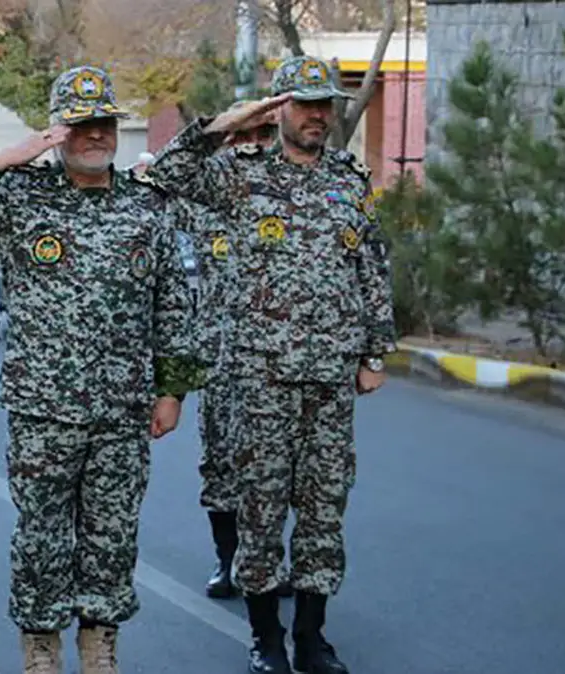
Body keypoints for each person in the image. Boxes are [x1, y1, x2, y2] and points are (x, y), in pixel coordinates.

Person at [0, 65, 204, 674]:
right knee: (41, 536)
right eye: (79, 124)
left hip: (122, 407)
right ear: (55, 131)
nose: (95, 134)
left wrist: (172, 388)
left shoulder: (146, 205)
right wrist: (3, 159)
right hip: (44, 408)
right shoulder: (20, 197)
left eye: (104, 123)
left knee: (111, 535)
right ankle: (41, 644)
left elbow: (174, 301)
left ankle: (99, 644)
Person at [148, 56, 397, 674]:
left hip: (329, 378)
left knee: (323, 509)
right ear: (280, 109)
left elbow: (370, 264)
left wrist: (373, 351)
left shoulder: (348, 179)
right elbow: (171, 172)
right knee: (260, 508)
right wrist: (227, 123)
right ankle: (266, 640)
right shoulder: (240, 176)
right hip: (259, 377)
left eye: (324, 105)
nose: (317, 116)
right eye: (305, 104)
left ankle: (312, 638)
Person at [190, 100, 294, 601]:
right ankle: (227, 559)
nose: (253, 145)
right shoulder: (201, 199)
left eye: (262, 136)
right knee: (220, 464)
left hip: (276, 359)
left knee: (275, 467)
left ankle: (270, 560)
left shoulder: (289, 197)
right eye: (242, 136)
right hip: (219, 360)